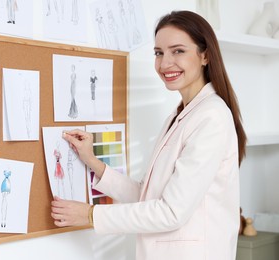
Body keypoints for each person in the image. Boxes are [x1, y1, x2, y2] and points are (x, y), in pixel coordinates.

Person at [51, 10, 246, 260]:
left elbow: (171, 212)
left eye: (178, 51)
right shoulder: (179, 116)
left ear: (205, 55)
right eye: (159, 53)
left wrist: (90, 215)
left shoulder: (212, 118)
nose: (165, 64)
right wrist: (94, 163)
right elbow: (148, 196)